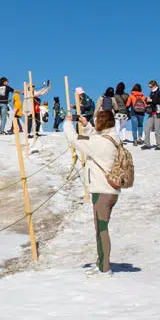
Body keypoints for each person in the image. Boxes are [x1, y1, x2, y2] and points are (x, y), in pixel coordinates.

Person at [64, 109, 125, 274]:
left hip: (102, 190)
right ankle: (101, 264)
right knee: (101, 228)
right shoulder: (113, 138)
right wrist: (87, 126)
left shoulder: (101, 142)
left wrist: (68, 123)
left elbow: (76, 140)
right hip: (110, 190)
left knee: (101, 229)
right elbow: (93, 139)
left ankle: (105, 268)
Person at [143, 80, 160, 150]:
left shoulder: (159, 92)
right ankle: (147, 144)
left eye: (151, 86)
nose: (150, 88)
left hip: (158, 113)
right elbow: (151, 102)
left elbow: (159, 101)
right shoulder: (151, 93)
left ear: (155, 85)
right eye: (149, 86)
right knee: (146, 128)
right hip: (151, 113)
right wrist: (147, 100)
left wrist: (151, 100)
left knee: (157, 129)